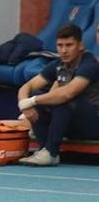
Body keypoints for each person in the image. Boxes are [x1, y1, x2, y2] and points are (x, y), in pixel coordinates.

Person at [16, 23, 99, 166]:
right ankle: (44, 150)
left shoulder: (89, 64)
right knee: (39, 97)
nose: (64, 51)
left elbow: (67, 93)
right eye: (60, 46)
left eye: (69, 45)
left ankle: (51, 152)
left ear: (80, 45)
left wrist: (33, 101)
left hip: (93, 124)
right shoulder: (58, 64)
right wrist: (24, 104)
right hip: (72, 123)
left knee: (61, 101)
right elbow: (27, 86)